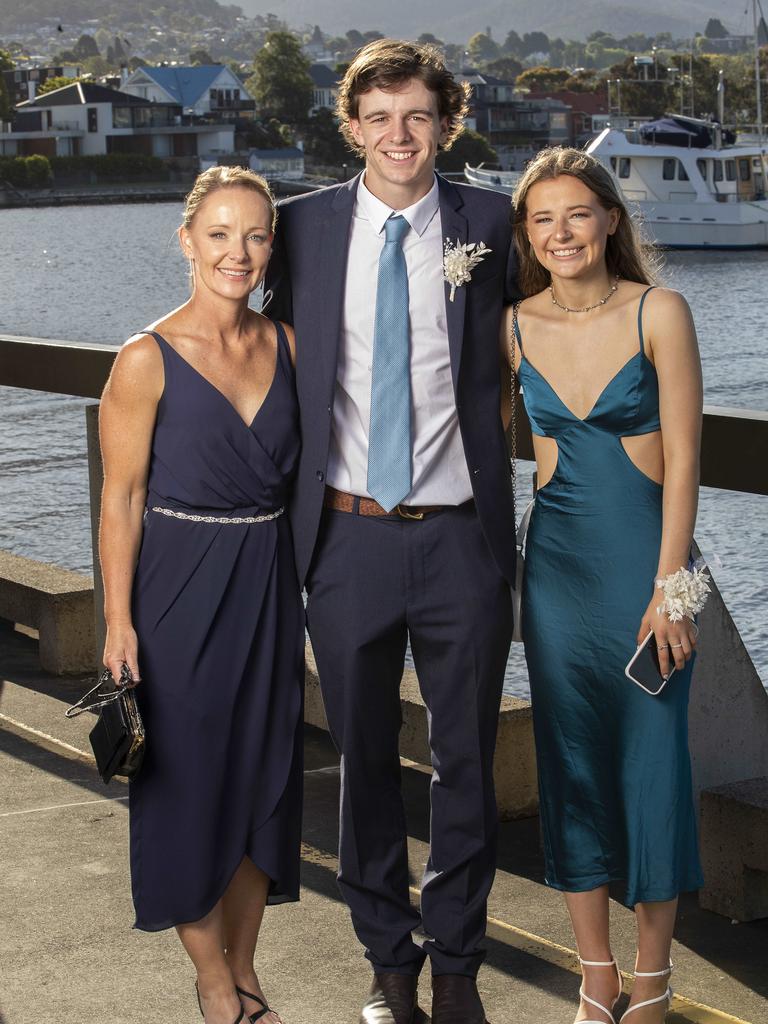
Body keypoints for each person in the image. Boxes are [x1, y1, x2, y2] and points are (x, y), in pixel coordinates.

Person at [265, 38, 519, 1024]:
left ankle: (455, 963)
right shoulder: (299, 230)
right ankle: (387, 961)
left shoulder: (493, 223)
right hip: (345, 538)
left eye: (418, 115)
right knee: (361, 755)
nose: (399, 135)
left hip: (461, 538)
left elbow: (575, 313)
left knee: (465, 759)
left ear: (445, 123)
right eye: (380, 117)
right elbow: (233, 324)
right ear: (352, 126)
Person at [503, 147, 704, 1024]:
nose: (562, 232)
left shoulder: (660, 310)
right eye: (542, 219)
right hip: (556, 573)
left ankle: (653, 982)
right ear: (527, 235)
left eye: (578, 213)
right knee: (572, 766)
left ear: (611, 220)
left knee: (653, 766)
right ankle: (597, 980)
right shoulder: (509, 325)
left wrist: (672, 586)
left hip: (646, 571)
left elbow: (689, 461)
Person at [99, 166, 303, 1024]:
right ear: (187, 241)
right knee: (183, 788)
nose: (239, 253)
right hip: (176, 594)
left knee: (265, 780)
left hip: (265, 586)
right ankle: (214, 987)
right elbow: (120, 499)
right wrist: (118, 621)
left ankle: (246, 971)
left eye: (255, 235)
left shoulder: (288, 345)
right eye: (220, 234)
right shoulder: (143, 358)